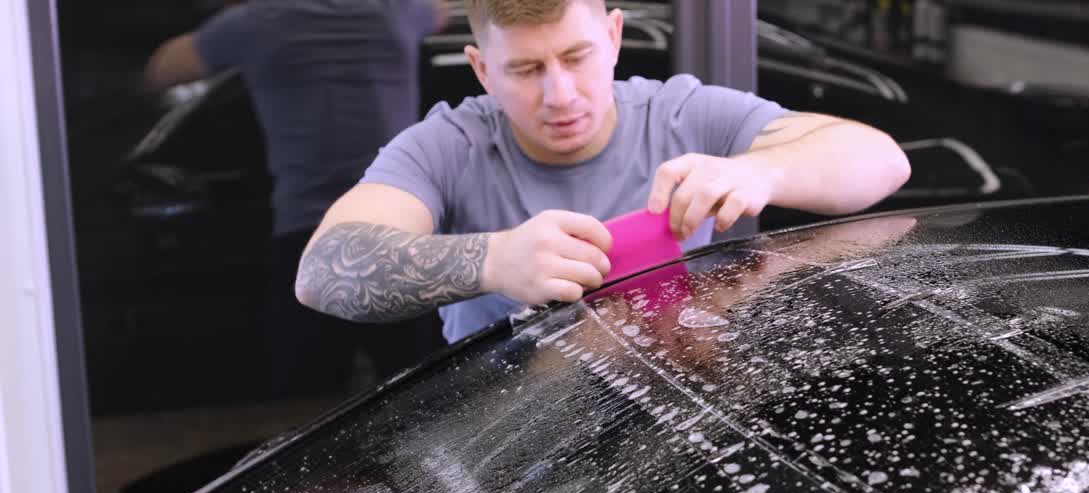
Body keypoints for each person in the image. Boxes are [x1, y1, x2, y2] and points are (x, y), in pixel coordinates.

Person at [294, 0, 912, 345]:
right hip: (510, 434)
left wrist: (763, 171)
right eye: (526, 70)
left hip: (675, 406)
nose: (560, 95)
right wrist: (494, 261)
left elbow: (883, 160)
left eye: (577, 57)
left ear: (613, 37)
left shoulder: (681, 112)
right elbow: (322, 272)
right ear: (482, 70)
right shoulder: (447, 145)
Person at [142, 0, 448, 397]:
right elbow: (441, 12)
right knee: (420, 398)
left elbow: (160, 69)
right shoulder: (395, 12)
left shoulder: (259, 22)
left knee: (303, 405)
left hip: (306, 241)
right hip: (398, 235)